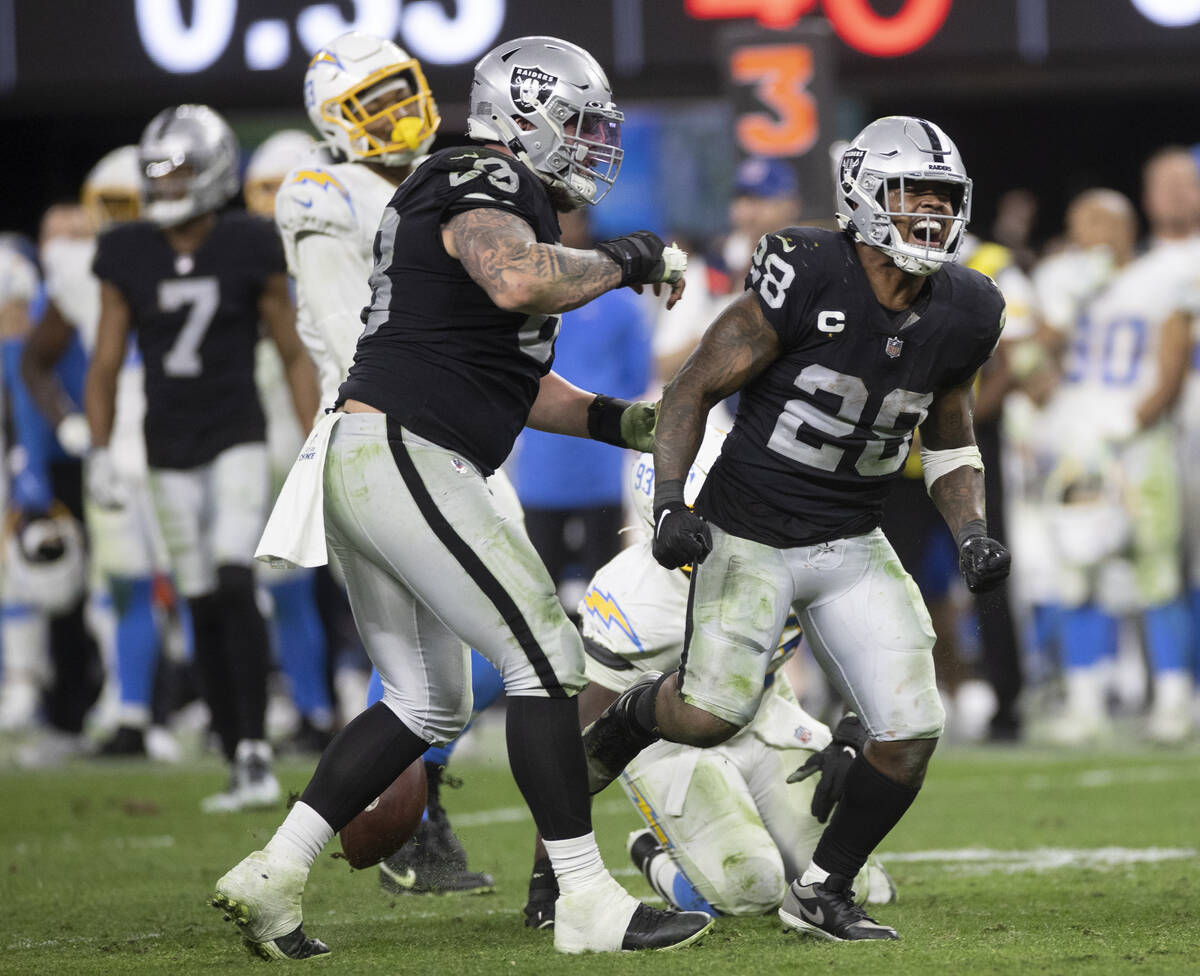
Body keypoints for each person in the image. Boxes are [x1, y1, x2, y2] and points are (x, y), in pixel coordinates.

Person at [211, 35, 711, 960]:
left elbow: (516, 384)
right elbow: (517, 277)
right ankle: (586, 900)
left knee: (425, 702)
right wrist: (632, 257)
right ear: (531, 118)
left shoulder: (486, 193)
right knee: (551, 662)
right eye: (584, 124)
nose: (596, 144)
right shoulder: (481, 174)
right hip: (406, 453)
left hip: (380, 455)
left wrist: (628, 422)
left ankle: (271, 875)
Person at [580, 116, 1010, 942]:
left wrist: (971, 532)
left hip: (852, 537)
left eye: (941, 197)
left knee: (912, 728)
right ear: (861, 196)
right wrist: (671, 501)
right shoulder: (808, 268)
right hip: (751, 528)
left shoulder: (967, 307)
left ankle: (821, 890)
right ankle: (638, 717)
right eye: (909, 193)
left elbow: (949, 433)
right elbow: (694, 387)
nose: (928, 211)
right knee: (709, 714)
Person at [276, 31, 498, 895]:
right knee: (449, 645)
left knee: (482, 642)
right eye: (372, 103)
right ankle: (399, 817)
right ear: (337, 123)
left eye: (401, 88)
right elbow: (344, 335)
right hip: (392, 428)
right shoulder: (321, 192)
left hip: (464, 421)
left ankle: (388, 808)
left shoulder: (434, 177)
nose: (399, 111)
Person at [523, 423, 895, 927]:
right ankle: (659, 852)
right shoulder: (636, 602)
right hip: (667, 744)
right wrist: (550, 874)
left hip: (763, 713)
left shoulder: (796, 541)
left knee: (848, 880)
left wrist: (855, 729)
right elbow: (580, 745)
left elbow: (870, 637)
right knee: (751, 886)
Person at [84, 104, 320, 810]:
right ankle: (235, 752)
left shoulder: (250, 243)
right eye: (157, 171)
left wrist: (314, 448)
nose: (166, 183)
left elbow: (291, 352)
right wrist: (99, 448)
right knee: (196, 596)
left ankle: (252, 747)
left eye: (179, 169)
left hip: (236, 436)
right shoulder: (128, 250)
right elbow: (103, 361)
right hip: (166, 446)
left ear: (213, 169)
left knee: (229, 577)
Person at [21, 148, 180, 759]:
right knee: (125, 585)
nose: (126, 220)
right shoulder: (78, 266)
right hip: (113, 445)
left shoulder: (196, 257)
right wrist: (67, 421)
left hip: (182, 437)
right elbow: (36, 358)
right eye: (112, 208)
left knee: (206, 582)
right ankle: (135, 715)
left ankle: (225, 717)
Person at [1033, 188, 1192, 744]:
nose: (1089, 232)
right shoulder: (1060, 280)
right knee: (1077, 574)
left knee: (1158, 572)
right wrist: (1061, 312)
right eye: (1079, 222)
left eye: (1100, 220)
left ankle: (1174, 699)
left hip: (1140, 445)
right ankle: (1085, 703)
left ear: (1128, 226)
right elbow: (1031, 359)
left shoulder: (1163, 277)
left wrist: (1131, 422)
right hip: (1077, 446)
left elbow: (1172, 364)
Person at [512, 205, 653, 613]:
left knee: (606, 592)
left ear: (586, 224)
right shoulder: (525, 296)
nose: (562, 225)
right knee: (539, 593)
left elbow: (636, 377)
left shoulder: (619, 303)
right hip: (541, 470)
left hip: (599, 469)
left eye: (570, 215)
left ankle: (601, 674)